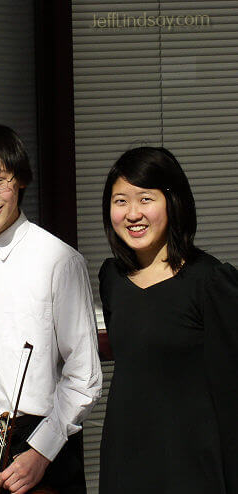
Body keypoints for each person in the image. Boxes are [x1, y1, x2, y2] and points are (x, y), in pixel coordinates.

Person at [0, 123, 102, 494]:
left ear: (21, 180)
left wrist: (41, 452)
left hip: (38, 438)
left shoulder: (59, 260)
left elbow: (84, 375)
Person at [98, 146, 238, 494]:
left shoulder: (211, 281)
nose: (132, 214)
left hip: (191, 467)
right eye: (120, 201)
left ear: (173, 201)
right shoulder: (111, 278)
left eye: (145, 199)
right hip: (125, 460)